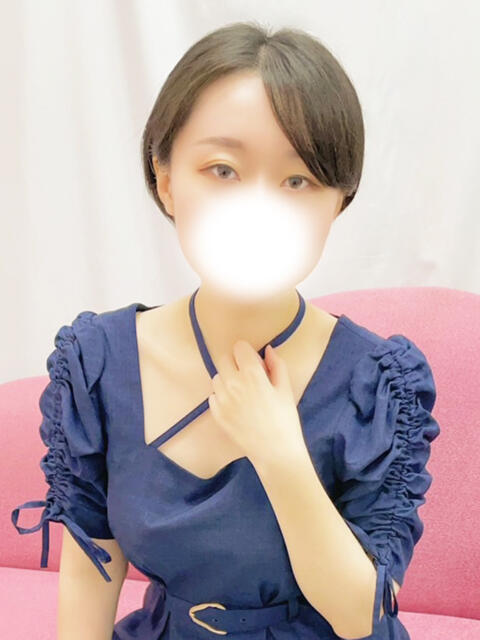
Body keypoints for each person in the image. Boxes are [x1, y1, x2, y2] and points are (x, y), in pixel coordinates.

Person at [11, 21, 440, 640]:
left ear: (337, 202)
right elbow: (91, 569)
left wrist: (280, 453)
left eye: (298, 180)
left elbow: (360, 617)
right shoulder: (98, 364)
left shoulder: (378, 386)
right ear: (165, 180)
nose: (257, 210)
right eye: (222, 169)